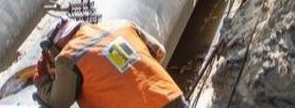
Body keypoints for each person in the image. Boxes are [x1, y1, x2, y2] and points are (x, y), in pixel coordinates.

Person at [34, 16, 187, 108]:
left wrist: (42, 80)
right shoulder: (122, 25)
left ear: (57, 46)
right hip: (171, 98)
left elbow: (59, 102)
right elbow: (160, 52)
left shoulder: (69, 56)